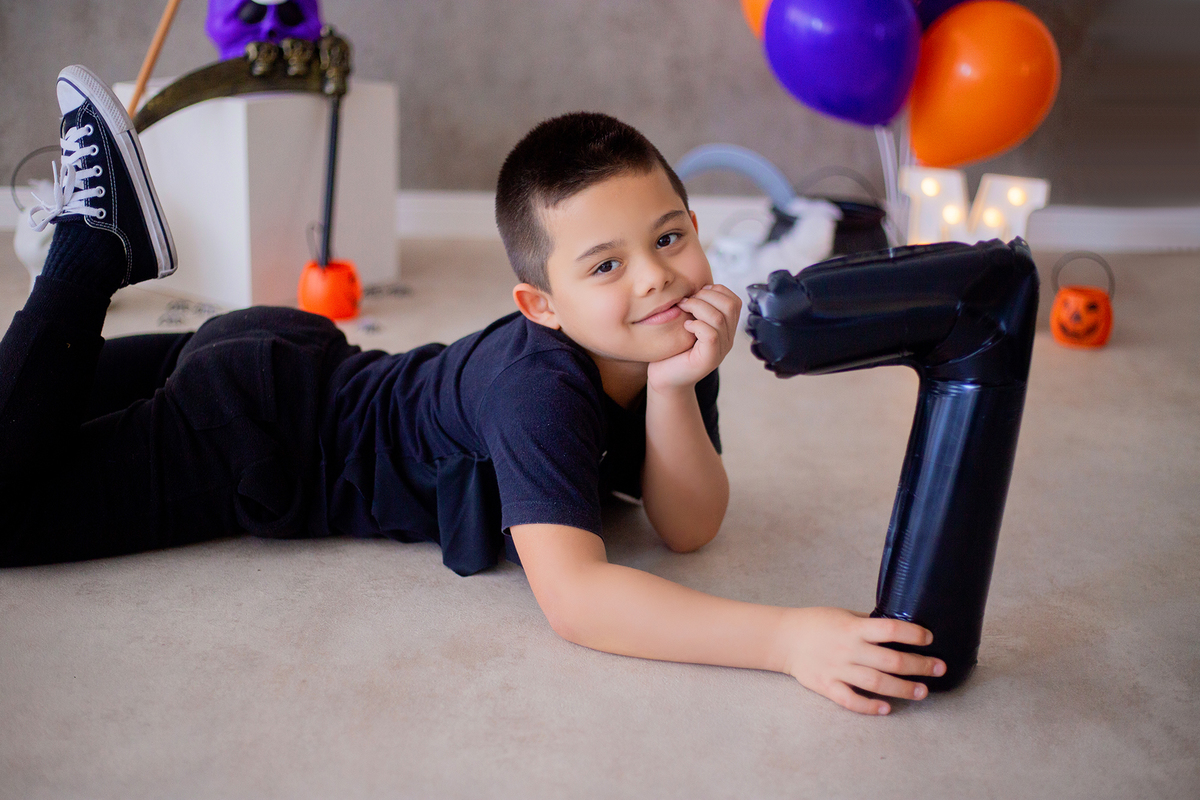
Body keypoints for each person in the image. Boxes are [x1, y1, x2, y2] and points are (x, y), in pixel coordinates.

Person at [1, 66, 946, 715]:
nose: (654, 279)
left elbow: (688, 525)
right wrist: (786, 641)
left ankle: (101, 252)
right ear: (539, 302)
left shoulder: (658, 343)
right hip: (252, 433)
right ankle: (95, 246)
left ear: (698, 230)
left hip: (282, 359)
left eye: (668, 239)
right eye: (605, 264)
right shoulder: (538, 386)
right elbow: (578, 600)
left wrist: (673, 392)